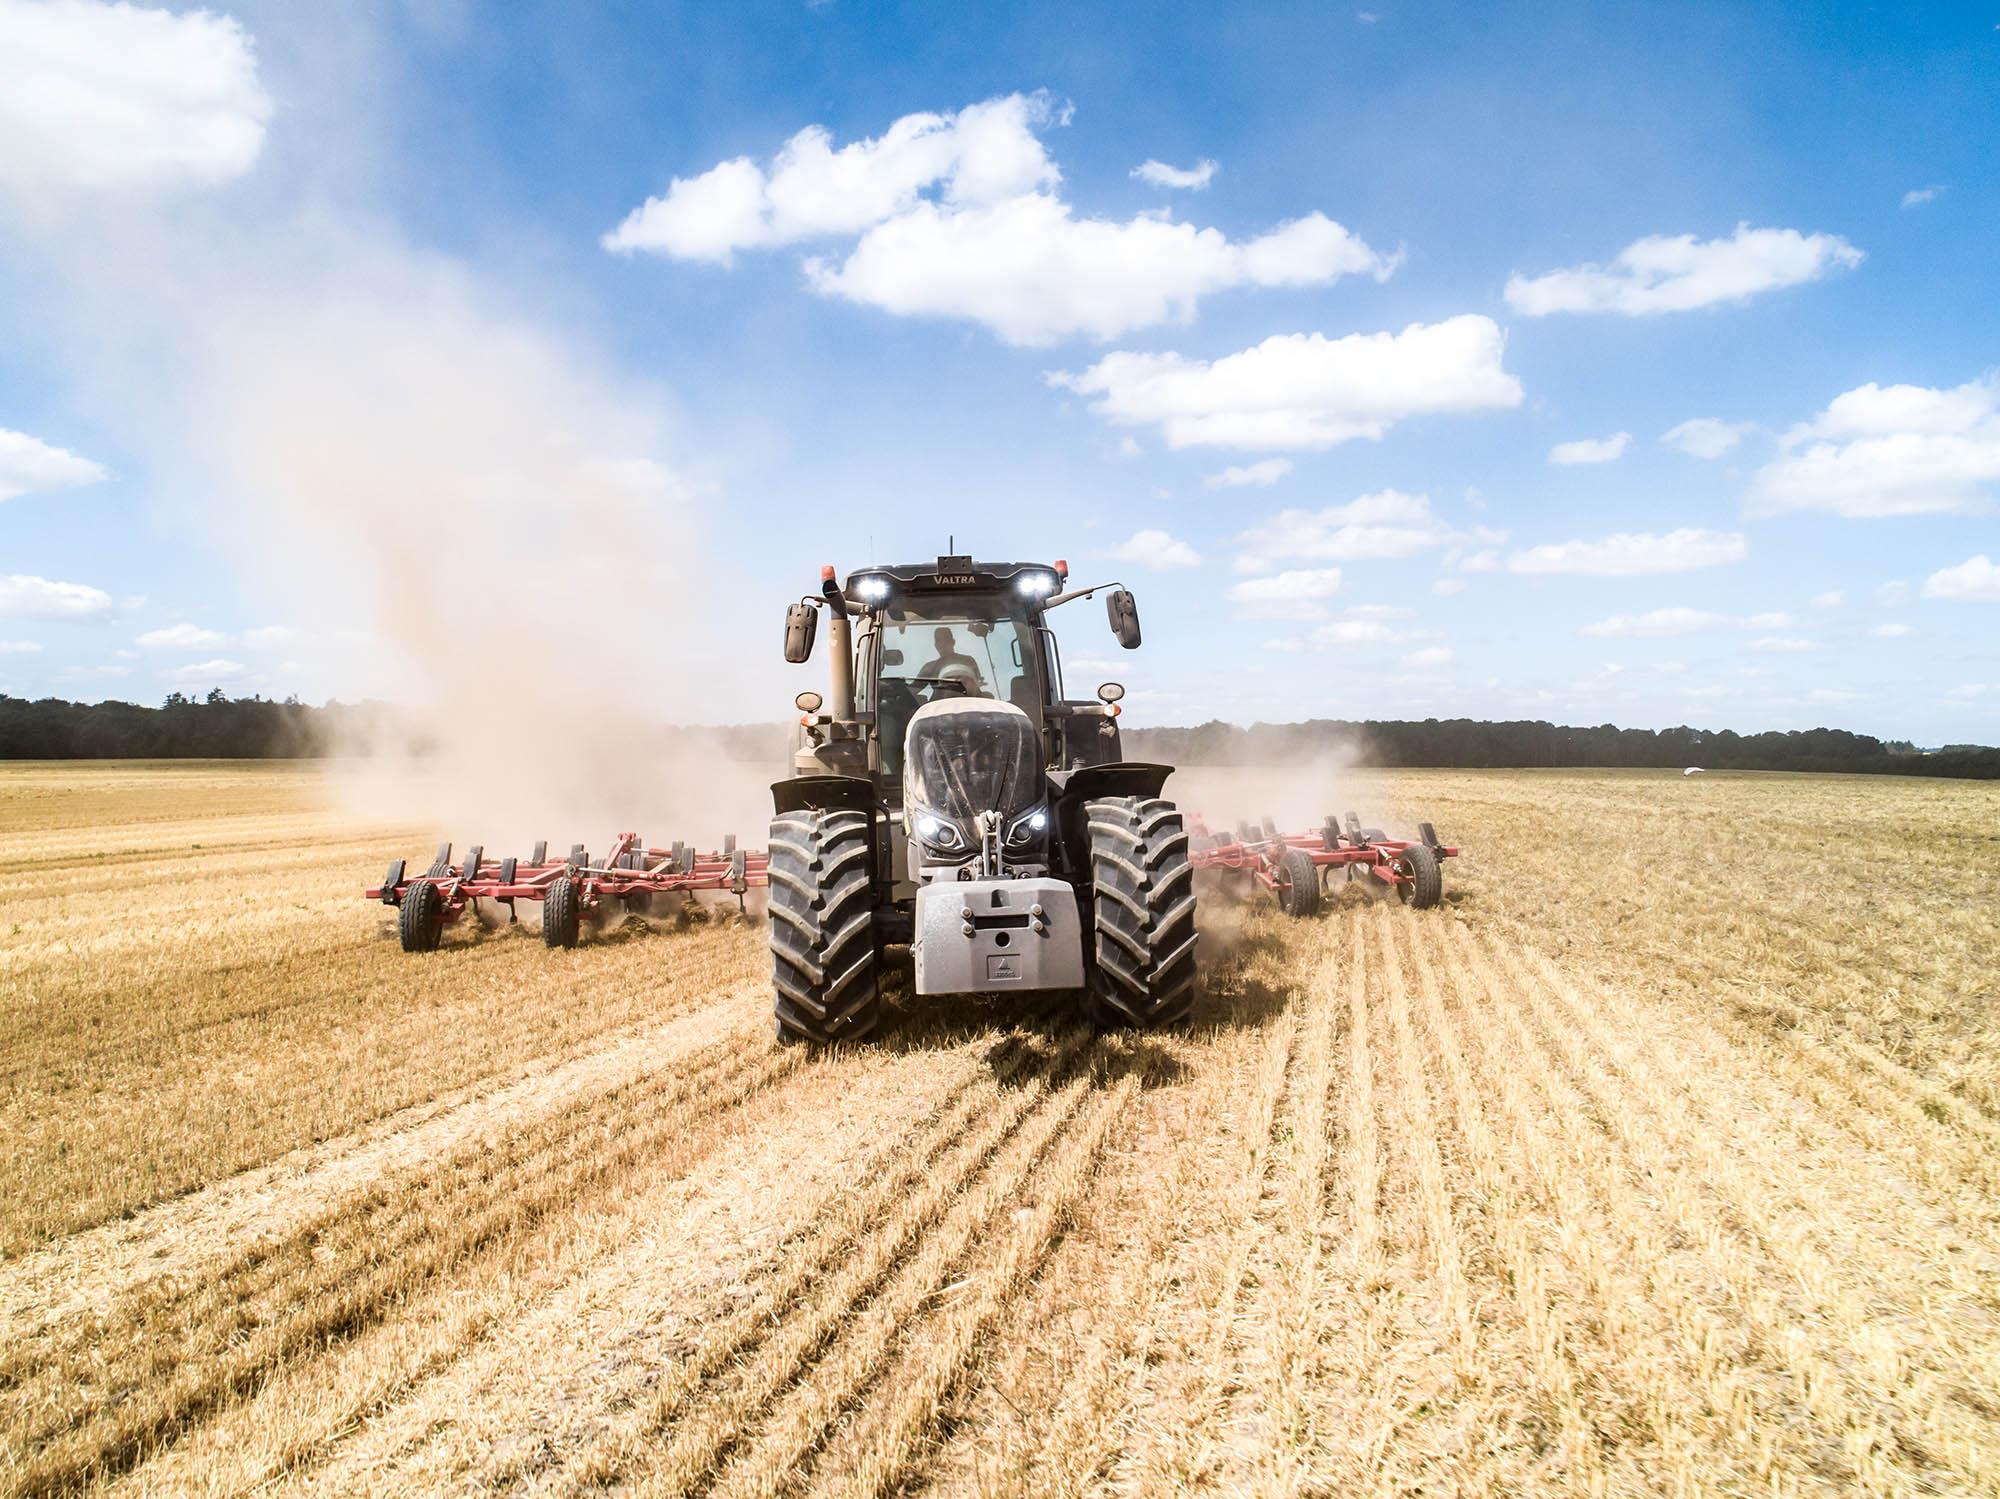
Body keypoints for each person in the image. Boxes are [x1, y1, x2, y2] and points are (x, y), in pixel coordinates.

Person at [916, 627, 982, 686]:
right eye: (938, 641)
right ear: (936, 645)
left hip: (966, 699)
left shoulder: (968, 660)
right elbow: (914, 689)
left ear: (953, 642)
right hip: (940, 699)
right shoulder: (929, 667)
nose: (942, 644)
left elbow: (977, 684)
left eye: (945, 639)